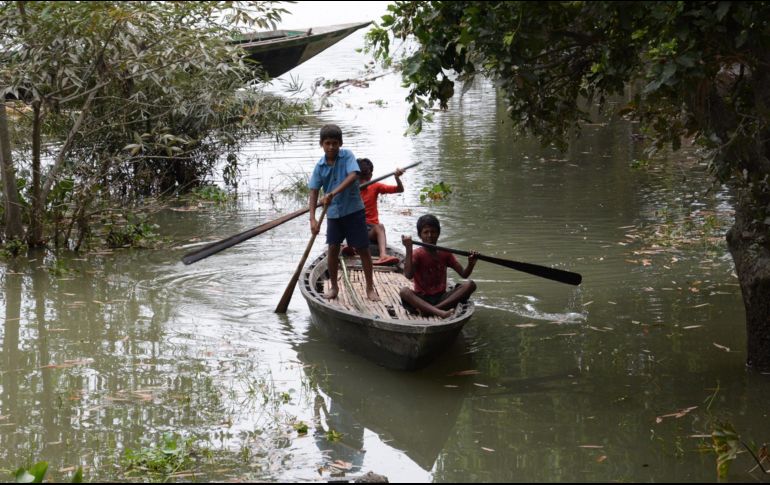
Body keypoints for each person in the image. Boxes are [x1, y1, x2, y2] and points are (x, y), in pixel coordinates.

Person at [309, 124, 379, 301]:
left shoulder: (347, 155)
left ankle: (370, 288)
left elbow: (353, 175)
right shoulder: (319, 166)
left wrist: (333, 192)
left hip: (353, 211)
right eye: (327, 143)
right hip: (333, 214)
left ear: (340, 143)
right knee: (333, 249)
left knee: (363, 249)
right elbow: (314, 192)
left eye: (334, 143)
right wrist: (313, 219)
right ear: (321, 144)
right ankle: (334, 287)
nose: (331, 147)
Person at [400, 214, 477, 318]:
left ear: (438, 233)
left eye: (433, 232)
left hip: (442, 298)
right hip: (422, 299)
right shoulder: (416, 254)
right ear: (420, 235)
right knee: (404, 291)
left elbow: (464, 274)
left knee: (470, 285)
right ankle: (439, 312)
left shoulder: (445, 253)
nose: (430, 236)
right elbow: (408, 275)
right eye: (426, 232)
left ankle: (433, 310)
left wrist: (471, 263)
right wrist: (408, 249)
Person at [357, 158, 404, 265]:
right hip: (357, 229)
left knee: (380, 226)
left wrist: (396, 177)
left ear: (370, 176)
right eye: (361, 178)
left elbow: (399, 189)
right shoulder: (350, 188)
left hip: (371, 231)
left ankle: (383, 255)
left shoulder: (375, 186)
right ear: (356, 176)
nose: (364, 182)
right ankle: (349, 246)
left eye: (366, 177)